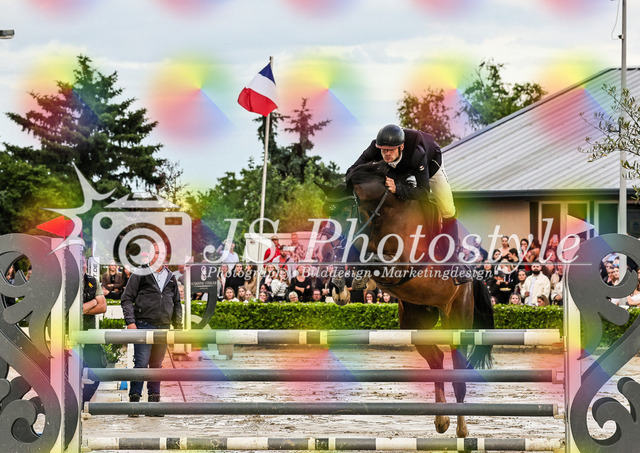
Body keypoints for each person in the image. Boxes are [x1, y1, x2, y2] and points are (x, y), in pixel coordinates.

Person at [347, 124, 469, 284]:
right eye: (383, 150)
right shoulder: (375, 148)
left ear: (401, 146)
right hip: (397, 169)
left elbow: (423, 192)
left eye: (390, 150)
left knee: (448, 209)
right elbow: (351, 171)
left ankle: (452, 261)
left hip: (430, 166)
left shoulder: (417, 154)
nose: (386, 154)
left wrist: (397, 189)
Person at [120, 245, 182, 415]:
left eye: (163, 253)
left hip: (164, 327)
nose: (160, 256)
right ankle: (134, 403)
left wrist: (178, 326)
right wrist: (130, 322)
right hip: (143, 325)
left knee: (156, 365)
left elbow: (177, 303)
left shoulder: (171, 276)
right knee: (141, 363)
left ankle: (154, 403)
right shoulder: (140, 273)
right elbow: (126, 298)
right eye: (157, 253)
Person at [81, 259, 107, 404]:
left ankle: (83, 402)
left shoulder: (92, 281)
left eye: (84, 262)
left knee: (98, 368)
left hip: (89, 333)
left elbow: (103, 307)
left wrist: (82, 309)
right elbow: (70, 310)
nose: (82, 265)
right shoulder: (64, 281)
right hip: (67, 334)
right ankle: (71, 404)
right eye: (79, 261)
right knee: (68, 373)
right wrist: (94, 302)